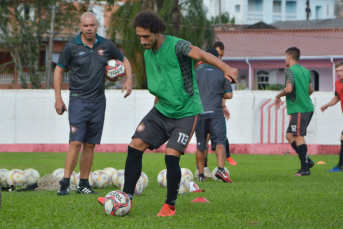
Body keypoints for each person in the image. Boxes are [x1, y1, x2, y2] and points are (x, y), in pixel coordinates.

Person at [122, 11, 238, 217]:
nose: (142, 41)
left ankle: (169, 206)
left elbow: (203, 54)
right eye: (139, 36)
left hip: (186, 112)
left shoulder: (178, 46)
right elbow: (162, 85)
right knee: (134, 146)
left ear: (157, 32)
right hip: (162, 110)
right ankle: (125, 198)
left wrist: (226, 68)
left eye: (146, 36)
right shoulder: (148, 52)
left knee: (171, 156)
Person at [54, 12, 133, 195]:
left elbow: (124, 60)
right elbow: (58, 71)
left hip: (98, 101)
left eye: (92, 25)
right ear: (80, 26)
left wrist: (128, 79)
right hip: (78, 100)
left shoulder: (106, 45)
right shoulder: (71, 46)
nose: (89, 28)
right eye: (85, 25)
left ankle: (83, 184)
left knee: (90, 144)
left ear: (97, 25)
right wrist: (58, 98)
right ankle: (65, 183)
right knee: (76, 142)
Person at [194, 41, 236, 179]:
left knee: (201, 145)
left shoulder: (195, 72)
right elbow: (229, 94)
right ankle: (220, 170)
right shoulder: (222, 73)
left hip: (199, 113)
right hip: (216, 114)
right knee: (219, 142)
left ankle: (200, 174)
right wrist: (219, 93)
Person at [274, 47, 314, 176]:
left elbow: (289, 88)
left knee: (298, 136)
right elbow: (311, 89)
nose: (285, 59)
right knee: (290, 135)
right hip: (306, 107)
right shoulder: (305, 71)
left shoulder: (290, 70)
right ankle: (307, 160)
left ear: (290, 56)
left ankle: (305, 169)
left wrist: (278, 95)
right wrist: (303, 97)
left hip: (300, 109)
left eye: (285, 56)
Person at [320, 61, 343, 172]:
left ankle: (339, 166)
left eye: (341, 70)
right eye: (337, 71)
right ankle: (339, 166)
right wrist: (327, 105)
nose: (339, 73)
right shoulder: (337, 84)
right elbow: (337, 98)